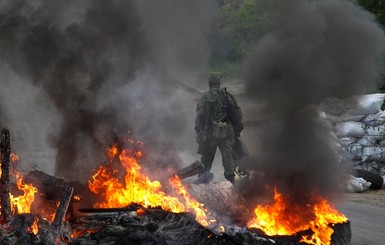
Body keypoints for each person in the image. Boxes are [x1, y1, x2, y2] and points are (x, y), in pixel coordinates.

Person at [194, 72, 243, 184]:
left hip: (211, 131)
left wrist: (198, 131)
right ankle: (231, 181)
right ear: (219, 83)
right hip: (227, 130)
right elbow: (237, 113)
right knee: (228, 158)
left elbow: (200, 115)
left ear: (209, 83)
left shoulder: (206, 96)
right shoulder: (227, 95)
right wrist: (237, 130)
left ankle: (202, 181)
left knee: (206, 158)